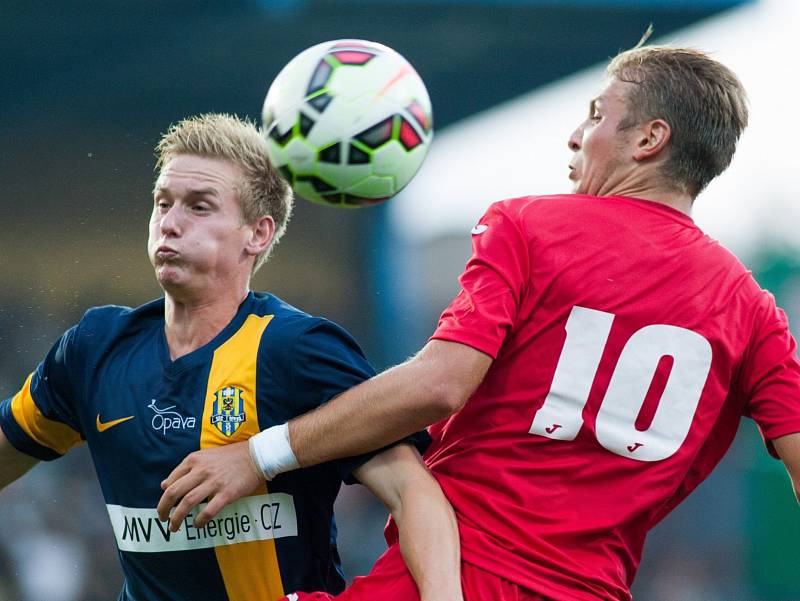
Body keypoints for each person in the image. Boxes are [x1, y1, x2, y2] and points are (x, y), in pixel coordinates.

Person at [158, 45, 800, 601]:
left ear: (648, 140)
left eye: (598, 116)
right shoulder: (753, 312)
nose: (577, 136)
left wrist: (260, 454)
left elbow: (441, 385)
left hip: (458, 574)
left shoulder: (531, 225)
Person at [0, 113, 463, 601]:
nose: (171, 223)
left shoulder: (297, 350)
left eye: (199, 207)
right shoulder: (94, 347)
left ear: (258, 234)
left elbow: (414, 494)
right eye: (163, 203)